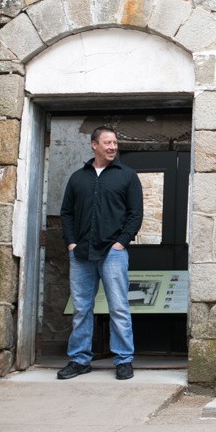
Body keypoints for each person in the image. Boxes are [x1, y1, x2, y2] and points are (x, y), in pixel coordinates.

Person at [58, 127, 143, 381]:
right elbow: (67, 214)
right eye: (107, 142)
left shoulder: (127, 176)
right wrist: (71, 243)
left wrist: (121, 242)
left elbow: (135, 214)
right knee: (82, 308)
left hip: (113, 252)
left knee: (118, 307)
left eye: (115, 142)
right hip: (81, 252)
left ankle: (124, 360)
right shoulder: (77, 178)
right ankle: (79, 359)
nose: (113, 147)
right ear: (94, 145)